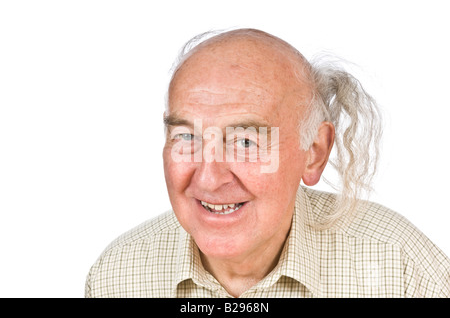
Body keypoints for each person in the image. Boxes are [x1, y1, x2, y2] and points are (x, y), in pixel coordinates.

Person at [85, 28, 450, 298]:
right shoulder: (116, 276)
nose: (209, 179)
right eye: (187, 138)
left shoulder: (402, 271)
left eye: (245, 142)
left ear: (315, 152)